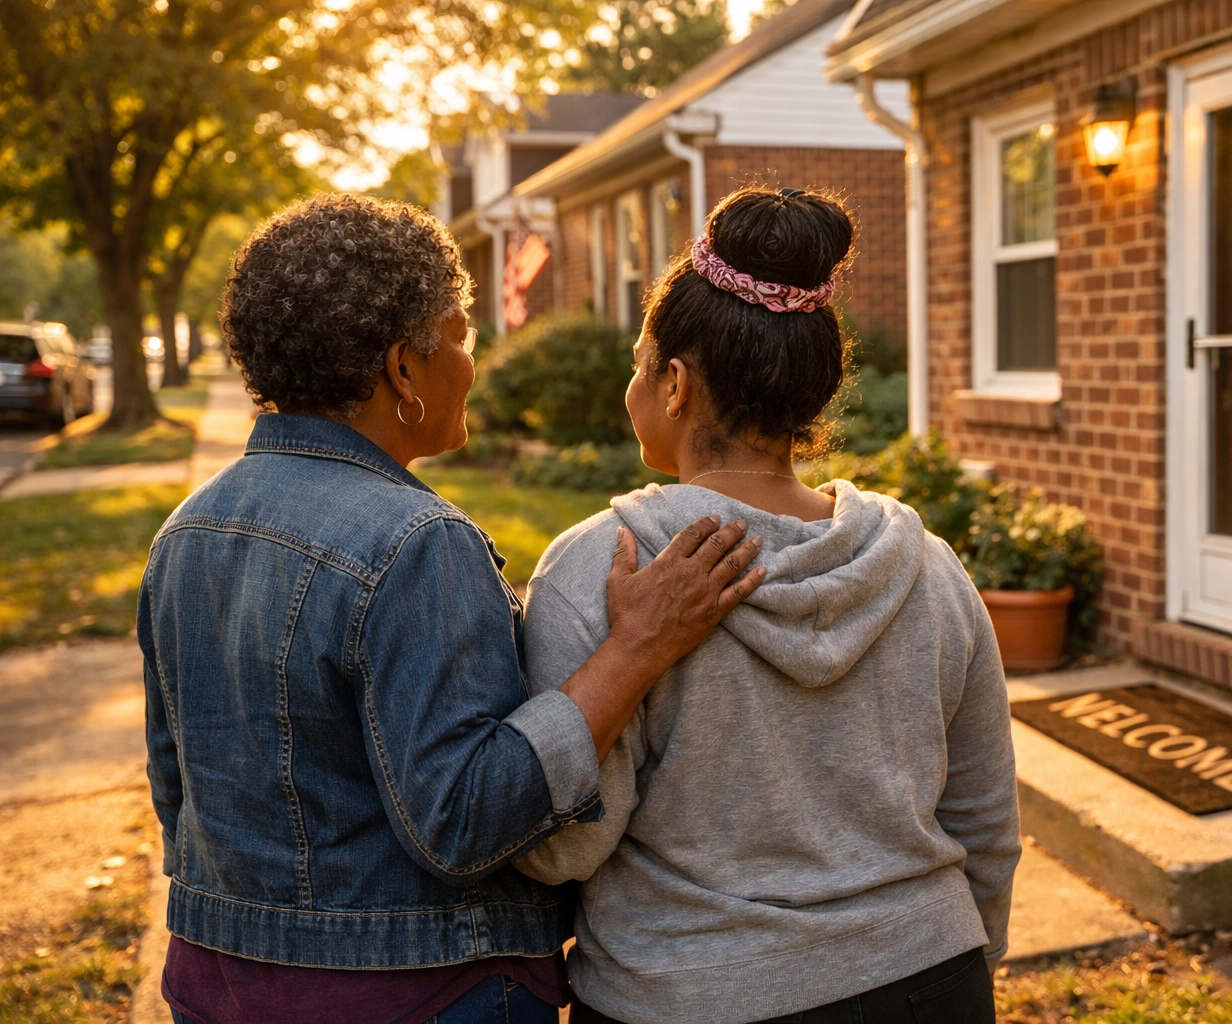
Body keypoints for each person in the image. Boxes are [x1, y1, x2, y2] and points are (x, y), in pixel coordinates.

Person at [138, 193, 764, 1024]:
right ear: (404, 368)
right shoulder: (417, 541)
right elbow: (465, 823)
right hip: (416, 991)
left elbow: (177, 787)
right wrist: (636, 650)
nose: (473, 361)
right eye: (463, 335)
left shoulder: (186, 529)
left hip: (215, 983)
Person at [514, 187, 1022, 1024]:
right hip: (932, 976)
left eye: (639, 363)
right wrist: (969, 956)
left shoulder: (605, 566)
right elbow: (982, 811)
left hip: (692, 995)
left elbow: (569, 844)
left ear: (674, 384)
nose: (632, 385)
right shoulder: (928, 568)